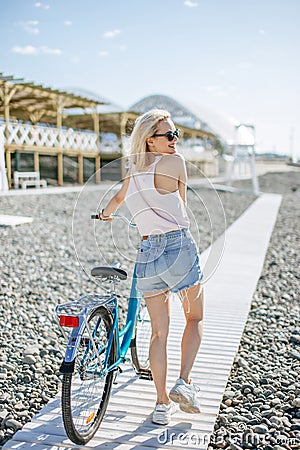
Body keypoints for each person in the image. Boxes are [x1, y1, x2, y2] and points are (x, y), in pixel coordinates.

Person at [98, 109, 204, 426]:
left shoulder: (132, 170)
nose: (175, 140)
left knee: (159, 332)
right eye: (168, 135)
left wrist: (106, 214)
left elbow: (117, 199)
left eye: (176, 135)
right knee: (195, 317)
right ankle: (184, 383)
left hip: (148, 251)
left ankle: (161, 405)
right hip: (178, 245)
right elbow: (181, 201)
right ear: (150, 140)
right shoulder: (176, 163)